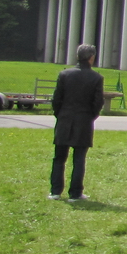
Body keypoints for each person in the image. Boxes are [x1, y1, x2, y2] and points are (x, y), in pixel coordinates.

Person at [48, 43, 105, 201]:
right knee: (79, 159)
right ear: (91, 58)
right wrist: (90, 116)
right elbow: (98, 102)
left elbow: (56, 99)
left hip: (64, 119)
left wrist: (60, 114)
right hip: (84, 120)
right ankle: (75, 193)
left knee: (59, 158)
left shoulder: (64, 74)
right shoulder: (96, 78)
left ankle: (55, 191)